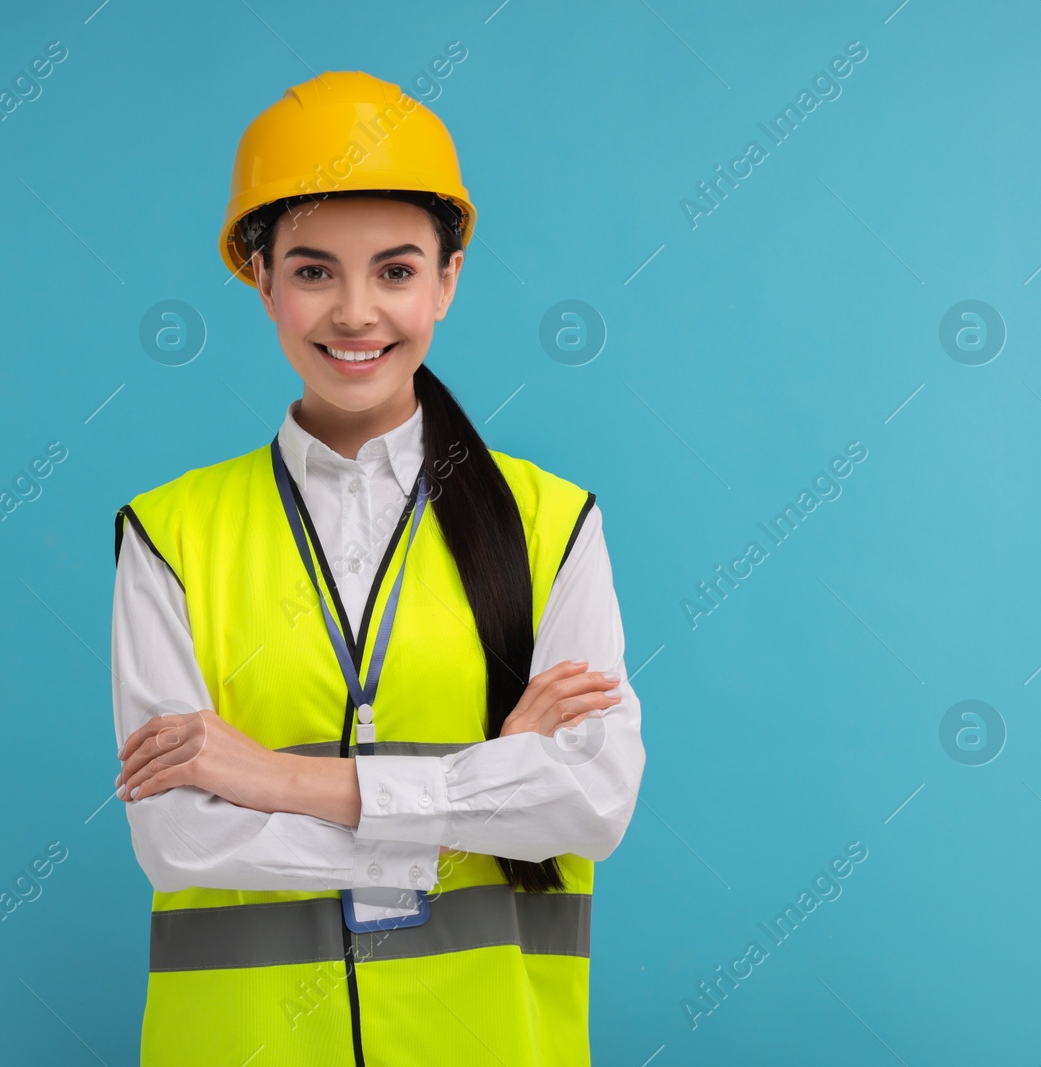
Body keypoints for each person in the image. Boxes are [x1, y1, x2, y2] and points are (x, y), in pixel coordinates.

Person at [110, 70, 646, 1067]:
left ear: (446, 279)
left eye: (395, 271)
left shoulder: (550, 521)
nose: (355, 312)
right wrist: (487, 791)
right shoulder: (168, 533)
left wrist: (274, 778)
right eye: (313, 271)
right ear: (260, 280)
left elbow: (590, 802)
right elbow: (181, 840)